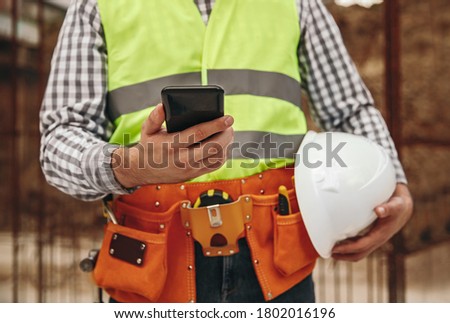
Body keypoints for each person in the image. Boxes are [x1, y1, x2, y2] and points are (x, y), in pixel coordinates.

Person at [40, 0, 413, 303]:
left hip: (278, 265)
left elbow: (348, 110)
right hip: (152, 266)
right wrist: (132, 166)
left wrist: (393, 186)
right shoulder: (96, 5)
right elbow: (59, 141)